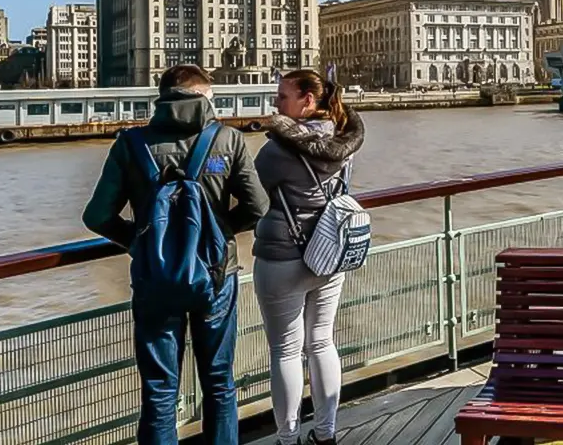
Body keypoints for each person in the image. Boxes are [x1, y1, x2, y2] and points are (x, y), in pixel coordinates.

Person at [82, 64, 269, 445]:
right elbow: (259, 207)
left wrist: (140, 243)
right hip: (216, 277)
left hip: (155, 280)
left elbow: (97, 216)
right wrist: (217, 237)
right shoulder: (227, 140)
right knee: (219, 382)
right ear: (203, 97)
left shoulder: (131, 144)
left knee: (159, 389)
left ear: (163, 96)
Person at [252, 70, 366, 445]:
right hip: (329, 251)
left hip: (282, 256)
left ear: (307, 101)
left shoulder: (274, 152)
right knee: (321, 341)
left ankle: (287, 438)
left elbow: (254, 195)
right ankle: (326, 433)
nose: (276, 103)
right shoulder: (343, 140)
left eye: (283, 96)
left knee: (285, 350)